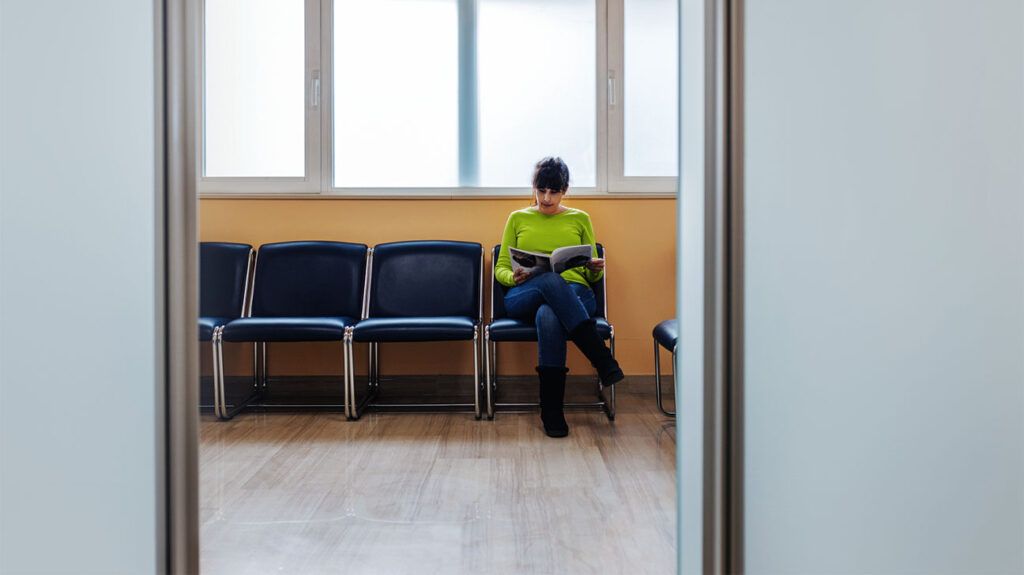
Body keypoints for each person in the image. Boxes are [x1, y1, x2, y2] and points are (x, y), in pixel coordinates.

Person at [494, 157, 624, 438]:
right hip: (523, 295)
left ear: (565, 190)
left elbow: (592, 276)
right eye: (541, 191)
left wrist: (594, 268)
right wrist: (512, 277)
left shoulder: (580, 218)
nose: (546, 198)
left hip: (576, 294)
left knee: (549, 314)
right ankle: (601, 359)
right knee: (550, 280)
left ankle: (551, 410)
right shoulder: (517, 218)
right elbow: (501, 267)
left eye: (554, 191)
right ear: (534, 187)